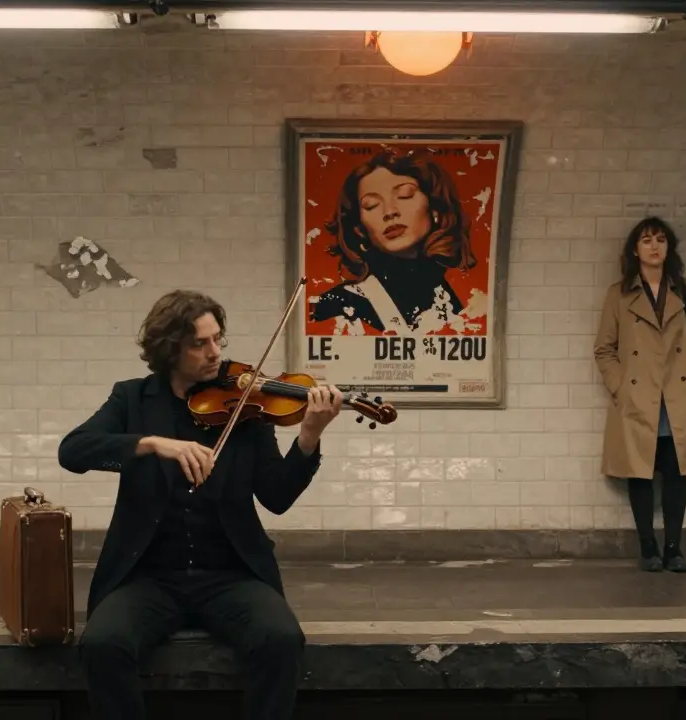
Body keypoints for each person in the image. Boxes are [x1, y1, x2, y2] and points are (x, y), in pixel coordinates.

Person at [58, 289, 344, 720]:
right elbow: (73, 451)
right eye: (200, 343)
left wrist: (309, 436)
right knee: (102, 644)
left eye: (217, 339)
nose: (216, 353)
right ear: (169, 349)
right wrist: (152, 444)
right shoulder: (132, 399)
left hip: (229, 574)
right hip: (148, 576)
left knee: (280, 639)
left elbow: (277, 496)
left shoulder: (246, 405)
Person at [593, 217, 686, 573]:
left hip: (676, 395)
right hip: (638, 397)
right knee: (640, 474)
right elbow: (604, 348)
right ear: (635, 249)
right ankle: (648, 546)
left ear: (669, 247)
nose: (654, 246)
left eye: (660, 239)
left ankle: (674, 547)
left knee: (676, 473)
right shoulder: (619, 293)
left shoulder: (685, 290)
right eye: (646, 240)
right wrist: (620, 387)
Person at [310, 150, 475, 335]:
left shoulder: (453, 298)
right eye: (371, 205)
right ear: (360, 229)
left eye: (405, 194)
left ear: (434, 208)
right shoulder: (339, 304)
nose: (390, 211)